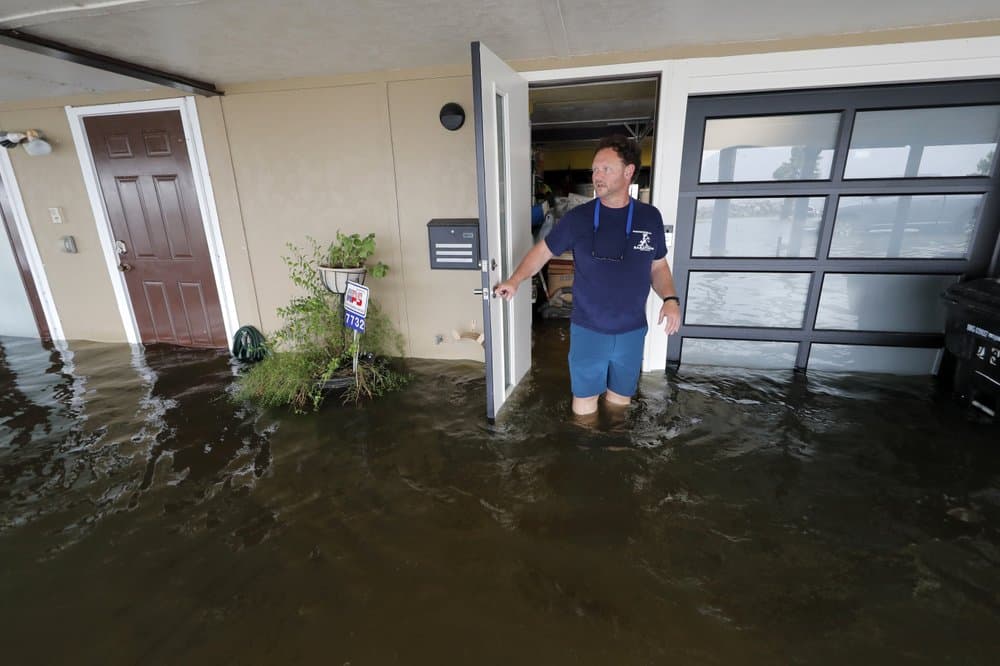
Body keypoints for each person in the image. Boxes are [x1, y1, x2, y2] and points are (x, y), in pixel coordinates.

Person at [494, 135, 681, 416]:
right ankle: (586, 452)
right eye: (594, 169)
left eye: (606, 169)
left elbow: (658, 266)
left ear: (628, 172)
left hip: (631, 330)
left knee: (621, 402)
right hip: (588, 329)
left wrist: (670, 298)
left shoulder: (649, 217)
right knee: (584, 405)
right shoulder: (578, 218)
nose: (597, 176)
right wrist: (514, 280)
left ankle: (614, 453)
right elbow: (542, 252)